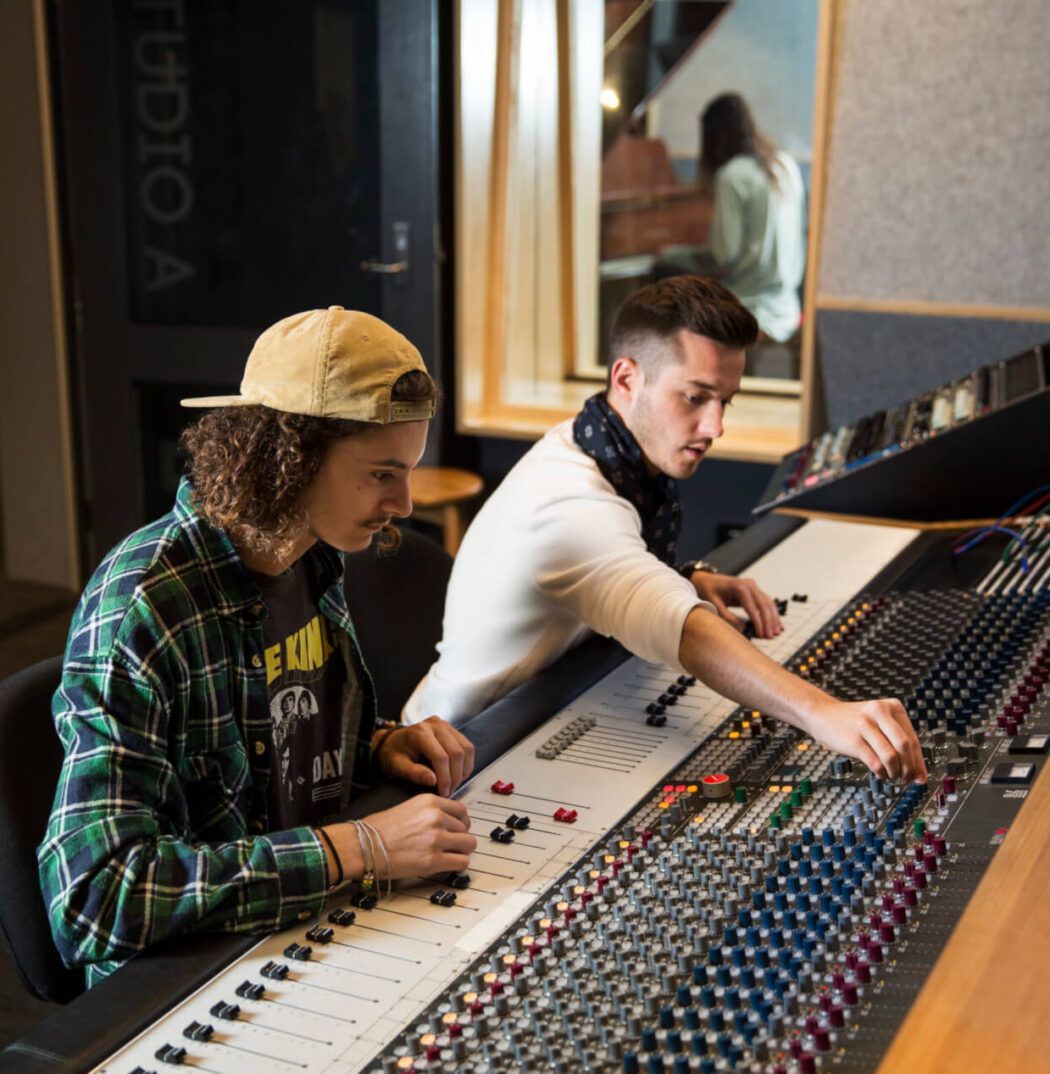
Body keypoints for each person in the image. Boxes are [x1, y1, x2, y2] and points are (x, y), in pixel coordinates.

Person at [38, 307, 477, 988]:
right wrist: (359, 847)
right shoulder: (145, 606)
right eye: (382, 474)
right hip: (191, 979)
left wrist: (374, 744)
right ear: (289, 456)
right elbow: (94, 899)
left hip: (302, 928)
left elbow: (265, 753)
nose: (405, 502)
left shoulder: (313, 556)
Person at [406, 277, 926, 789]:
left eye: (726, 401)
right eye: (696, 397)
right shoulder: (565, 501)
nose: (715, 426)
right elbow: (678, 626)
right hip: (459, 755)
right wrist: (821, 713)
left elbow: (619, 565)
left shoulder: (597, 443)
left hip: (541, 708)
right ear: (627, 379)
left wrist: (686, 578)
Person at [659, 93, 805, 344]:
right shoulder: (785, 165)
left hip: (750, 306)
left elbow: (722, 257)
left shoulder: (732, 175)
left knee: (668, 300)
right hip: (789, 305)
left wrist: (669, 254)